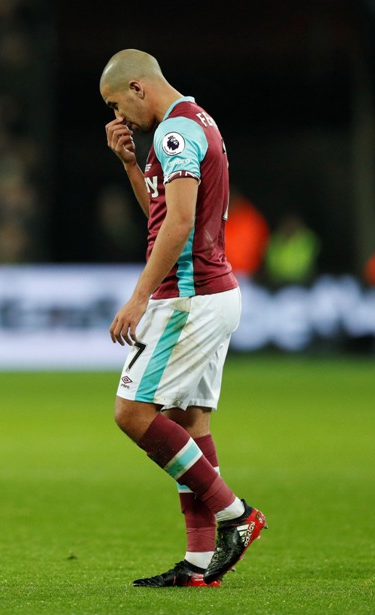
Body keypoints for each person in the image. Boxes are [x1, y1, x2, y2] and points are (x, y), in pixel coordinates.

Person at [99, 49, 266, 588]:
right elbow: (160, 216)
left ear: (139, 88)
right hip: (212, 293)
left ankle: (235, 515)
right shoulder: (194, 124)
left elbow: (181, 224)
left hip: (187, 298)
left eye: (117, 103)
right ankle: (199, 565)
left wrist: (139, 297)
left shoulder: (174, 135)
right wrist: (129, 163)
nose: (118, 117)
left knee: (133, 414)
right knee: (190, 423)